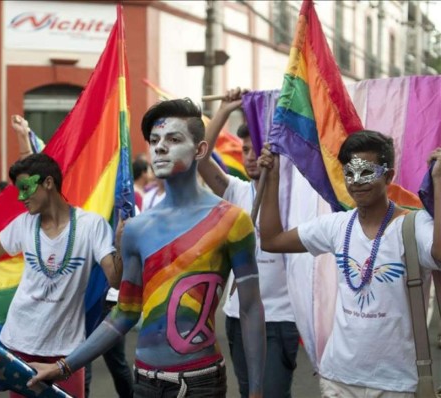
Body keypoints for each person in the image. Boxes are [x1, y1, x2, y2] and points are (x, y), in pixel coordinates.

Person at [26, 98, 266, 398]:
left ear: (200, 150)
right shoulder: (137, 229)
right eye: (154, 140)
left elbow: (251, 308)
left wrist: (257, 391)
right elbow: (124, 313)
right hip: (144, 384)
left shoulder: (232, 221)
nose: (160, 147)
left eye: (174, 139)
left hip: (201, 383)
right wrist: (64, 366)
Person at [258, 133, 441, 396]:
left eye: (366, 172)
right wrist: (273, 179)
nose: (356, 182)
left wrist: (439, 181)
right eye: (349, 173)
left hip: (396, 384)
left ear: (388, 176)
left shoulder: (414, 225)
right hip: (338, 379)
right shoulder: (336, 226)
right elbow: (272, 240)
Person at [0, 152, 123, 398]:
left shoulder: (91, 225)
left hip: (67, 351)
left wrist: (121, 247)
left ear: (48, 183)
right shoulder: (23, 224)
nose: (21, 197)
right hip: (21, 343)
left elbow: (115, 279)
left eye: (25, 188)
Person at [197, 88, 299, 398]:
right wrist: (226, 110)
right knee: (246, 392)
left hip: (279, 319)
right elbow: (199, 160)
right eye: (245, 150)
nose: (251, 157)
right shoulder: (237, 191)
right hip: (236, 315)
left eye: (257, 149)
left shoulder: (295, 196)